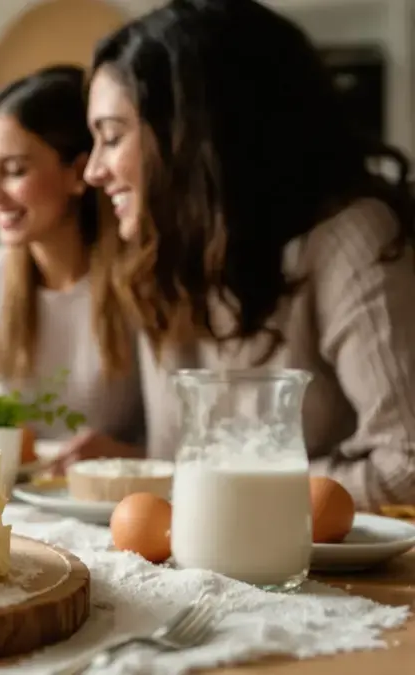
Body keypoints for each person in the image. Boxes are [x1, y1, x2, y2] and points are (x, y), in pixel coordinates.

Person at [83, 0, 415, 507]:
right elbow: (180, 474)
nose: (93, 170)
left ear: (194, 133)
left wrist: (239, 489)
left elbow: (407, 465)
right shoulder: (168, 257)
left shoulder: (351, 241)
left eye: (111, 137)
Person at [0, 65, 142, 449]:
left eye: (14, 170)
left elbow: (176, 444)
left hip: (121, 500)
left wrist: (123, 453)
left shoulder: (142, 281)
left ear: (79, 172)